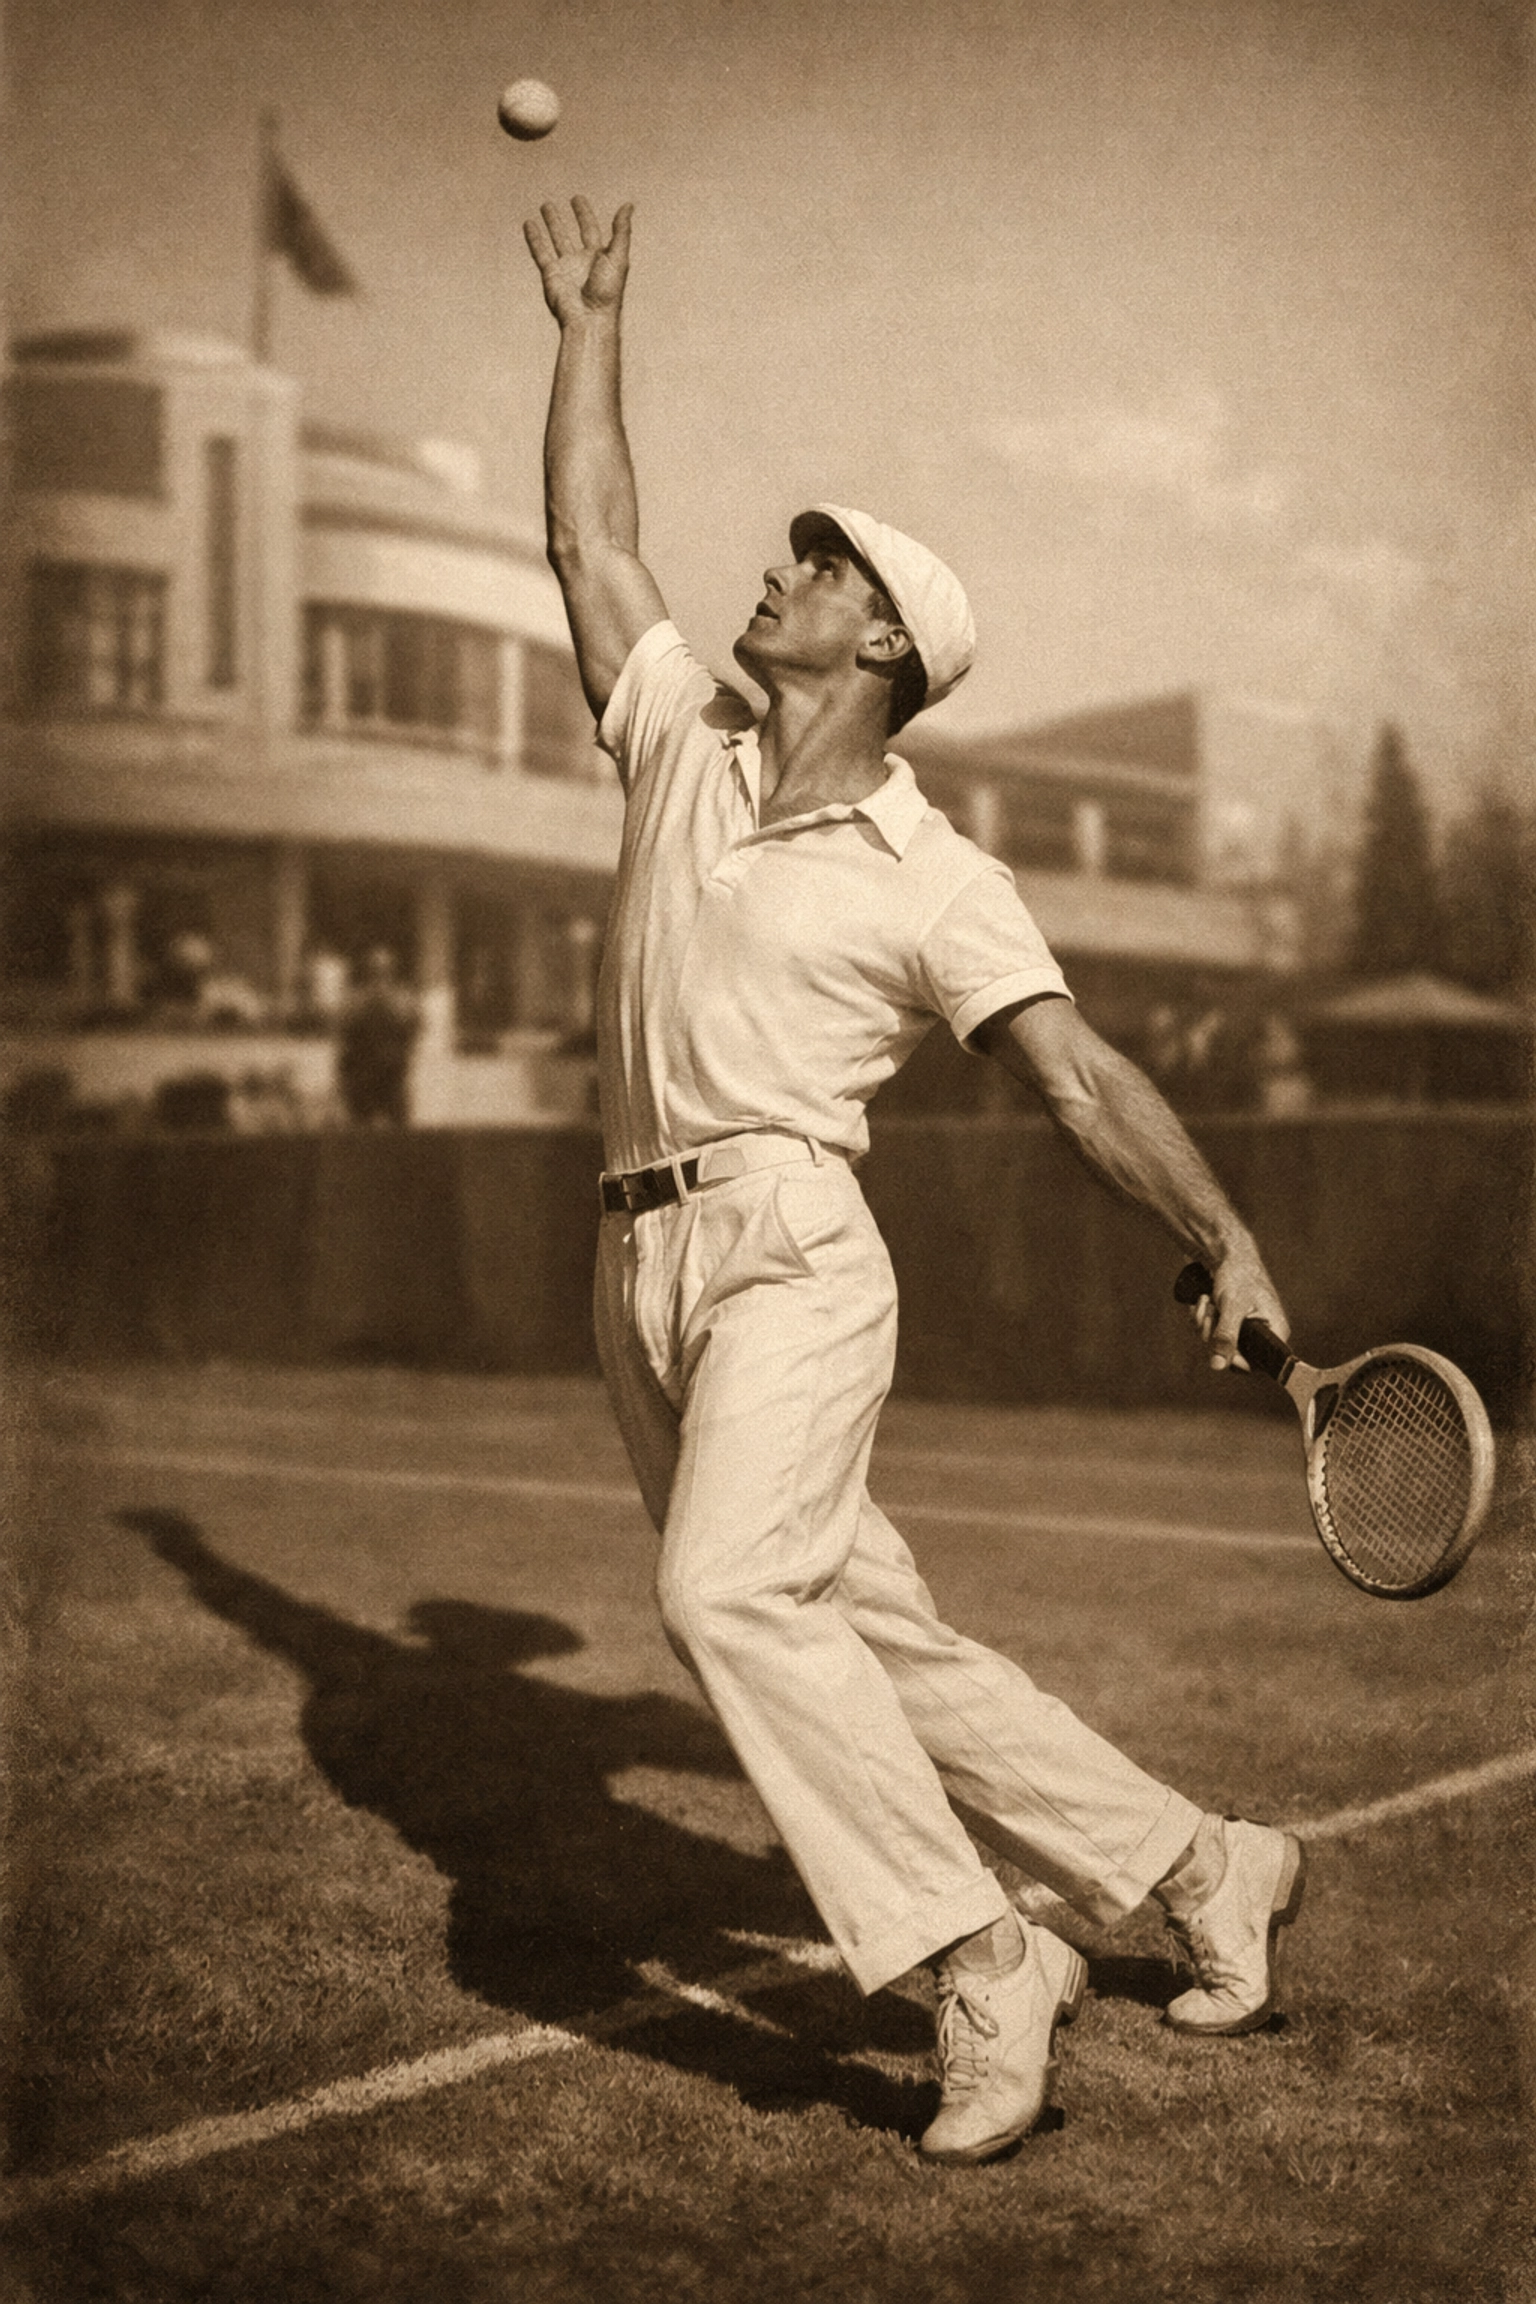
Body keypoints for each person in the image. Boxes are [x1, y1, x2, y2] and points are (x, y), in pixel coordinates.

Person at [523, 196, 1306, 2168]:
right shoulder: (681, 742)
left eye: (822, 562)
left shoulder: (939, 876)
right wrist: (591, 326)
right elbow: (589, 542)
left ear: (884, 640)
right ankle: (1204, 1865)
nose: (779, 570)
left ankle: (980, 1960)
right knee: (873, 1641)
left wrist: (1221, 1239)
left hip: (792, 1253)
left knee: (721, 1594)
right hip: (637, 1262)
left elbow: (1075, 1075)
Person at [336, 946, 420, 1128]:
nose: (380, 977)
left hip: (392, 1077)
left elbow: (413, 1029)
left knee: (399, 1132)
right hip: (362, 1078)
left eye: (384, 971)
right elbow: (344, 1037)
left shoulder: (402, 1000)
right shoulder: (355, 1000)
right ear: (367, 972)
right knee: (361, 1130)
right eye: (375, 972)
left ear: (392, 972)